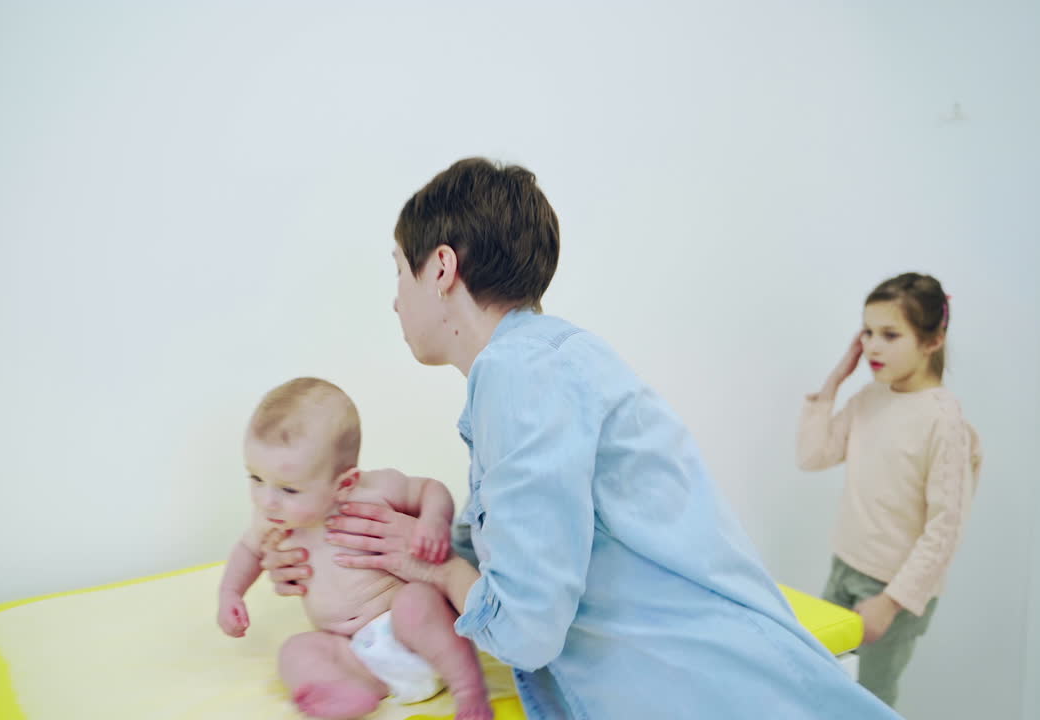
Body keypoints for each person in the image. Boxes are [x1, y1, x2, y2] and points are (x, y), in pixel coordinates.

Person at [265, 158, 898, 718]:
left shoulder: (522, 377)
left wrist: (432, 567)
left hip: (715, 690)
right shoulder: (540, 366)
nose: (394, 302)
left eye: (398, 273)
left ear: (440, 267)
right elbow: (530, 546)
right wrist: (336, 552)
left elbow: (525, 630)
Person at [218, 377, 491, 720]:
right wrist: (231, 593)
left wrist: (433, 522)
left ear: (344, 483)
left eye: (288, 489)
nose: (267, 501)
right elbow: (247, 551)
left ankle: (469, 690)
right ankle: (349, 690)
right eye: (256, 479)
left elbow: (430, 490)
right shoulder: (272, 519)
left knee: (416, 602)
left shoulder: (376, 489)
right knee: (296, 650)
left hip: (410, 636)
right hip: (350, 651)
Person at [797, 272, 982, 707]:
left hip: (892, 591)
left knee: (869, 700)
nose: (872, 347)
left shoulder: (943, 422)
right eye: (867, 332)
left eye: (889, 334)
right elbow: (812, 457)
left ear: (932, 341)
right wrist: (833, 385)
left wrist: (890, 602)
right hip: (844, 570)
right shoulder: (869, 398)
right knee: (823, 685)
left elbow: (945, 529)